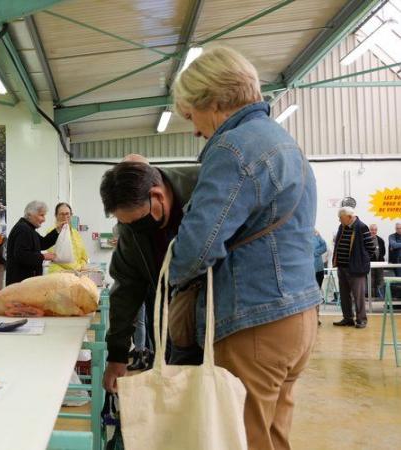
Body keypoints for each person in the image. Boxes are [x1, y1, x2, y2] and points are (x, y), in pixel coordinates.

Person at [168, 46, 319, 449]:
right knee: (271, 434)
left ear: (215, 102)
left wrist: (173, 273)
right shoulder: (286, 144)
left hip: (252, 320)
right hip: (298, 316)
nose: (196, 129)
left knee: (240, 438)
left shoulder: (233, 147)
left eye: (191, 115)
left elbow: (196, 250)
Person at [99, 160, 200, 392]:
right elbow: (126, 288)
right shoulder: (131, 228)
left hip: (222, 325)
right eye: (126, 224)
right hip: (170, 324)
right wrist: (117, 354)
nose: (136, 230)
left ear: (158, 195)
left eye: (139, 221)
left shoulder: (205, 191)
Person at [332, 207, 375, 328]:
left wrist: (361, 260)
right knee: (344, 295)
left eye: (341, 218)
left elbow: (371, 248)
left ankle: (361, 320)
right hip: (342, 267)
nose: (339, 220)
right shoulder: (342, 226)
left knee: (358, 296)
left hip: (356, 269)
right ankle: (348, 318)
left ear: (349, 217)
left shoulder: (361, 227)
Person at [5, 201, 61, 285]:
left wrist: (58, 230)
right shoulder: (23, 229)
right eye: (41, 215)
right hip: (21, 284)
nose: (44, 219)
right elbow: (21, 255)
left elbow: (43, 243)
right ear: (30, 214)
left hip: (24, 282)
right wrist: (43, 256)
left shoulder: (29, 229)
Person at [47, 202, 89, 273]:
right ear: (56, 215)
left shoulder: (75, 233)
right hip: (59, 273)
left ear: (71, 215)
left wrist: (83, 265)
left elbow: (84, 255)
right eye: (62, 214)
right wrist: (78, 268)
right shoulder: (52, 232)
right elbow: (58, 257)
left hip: (78, 273)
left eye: (67, 214)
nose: (65, 216)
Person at [313, 230, 327, 326]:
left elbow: (324, 247)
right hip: (307, 271)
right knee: (310, 295)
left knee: (317, 295)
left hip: (318, 269)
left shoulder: (316, 234)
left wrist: (313, 253)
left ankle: (316, 318)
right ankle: (310, 318)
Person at [369, 224, 386, 298]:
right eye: (372, 229)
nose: (373, 231)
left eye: (375, 230)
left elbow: (383, 251)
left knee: (380, 281)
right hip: (370, 264)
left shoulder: (380, 240)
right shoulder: (366, 240)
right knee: (371, 281)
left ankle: (380, 297)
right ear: (369, 230)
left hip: (379, 264)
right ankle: (372, 298)